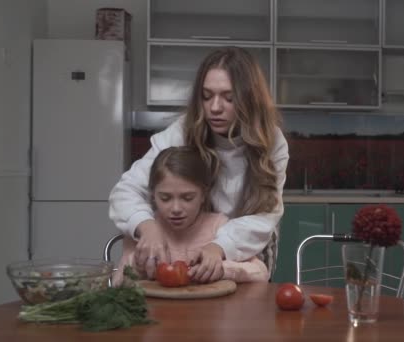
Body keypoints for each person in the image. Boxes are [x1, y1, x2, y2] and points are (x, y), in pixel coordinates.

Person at [109, 46, 288, 283]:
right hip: (190, 240)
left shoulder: (272, 141)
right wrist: (147, 226)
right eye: (206, 96)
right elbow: (126, 190)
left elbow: (265, 215)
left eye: (229, 98)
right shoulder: (183, 131)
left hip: (246, 245)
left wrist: (219, 247)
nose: (214, 107)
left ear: (249, 99)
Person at [113, 146, 269, 286]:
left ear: (203, 195)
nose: (176, 209)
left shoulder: (218, 226)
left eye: (188, 198)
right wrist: (136, 267)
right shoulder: (143, 231)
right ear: (153, 195)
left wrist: (222, 269)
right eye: (165, 198)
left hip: (208, 315)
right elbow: (118, 283)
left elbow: (261, 273)